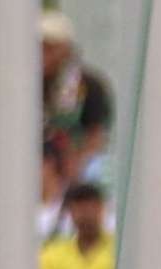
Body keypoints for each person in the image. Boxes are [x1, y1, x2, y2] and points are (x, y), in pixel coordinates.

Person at [39, 12, 114, 183]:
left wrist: (76, 163)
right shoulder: (27, 87)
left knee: (97, 169)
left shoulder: (89, 85)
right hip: (41, 163)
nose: (42, 54)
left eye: (49, 47)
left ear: (65, 49)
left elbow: (96, 135)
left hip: (78, 162)